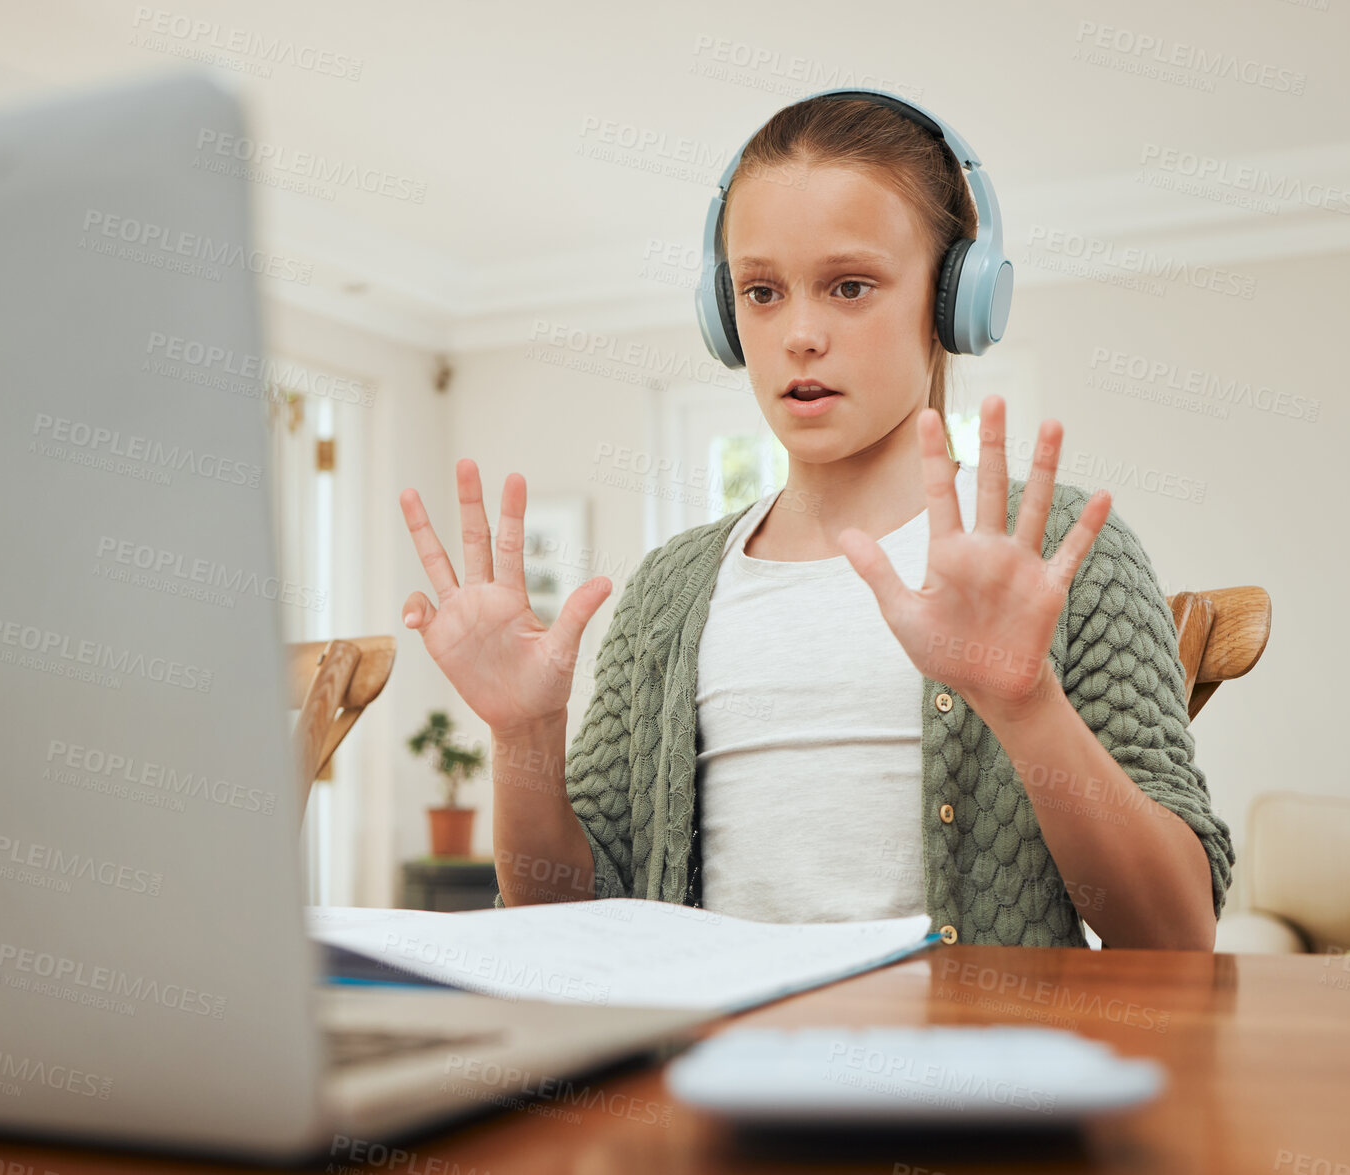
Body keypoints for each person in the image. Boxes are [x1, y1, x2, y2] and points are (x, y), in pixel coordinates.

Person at [398, 94, 1232, 949]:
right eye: (761, 291)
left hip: (966, 1077)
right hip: (708, 1075)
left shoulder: (1061, 552)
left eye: (850, 286)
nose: (799, 333)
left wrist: (1026, 704)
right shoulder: (669, 593)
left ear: (955, 300)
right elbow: (568, 930)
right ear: (727, 318)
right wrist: (523, 736)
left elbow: (1176, 936)